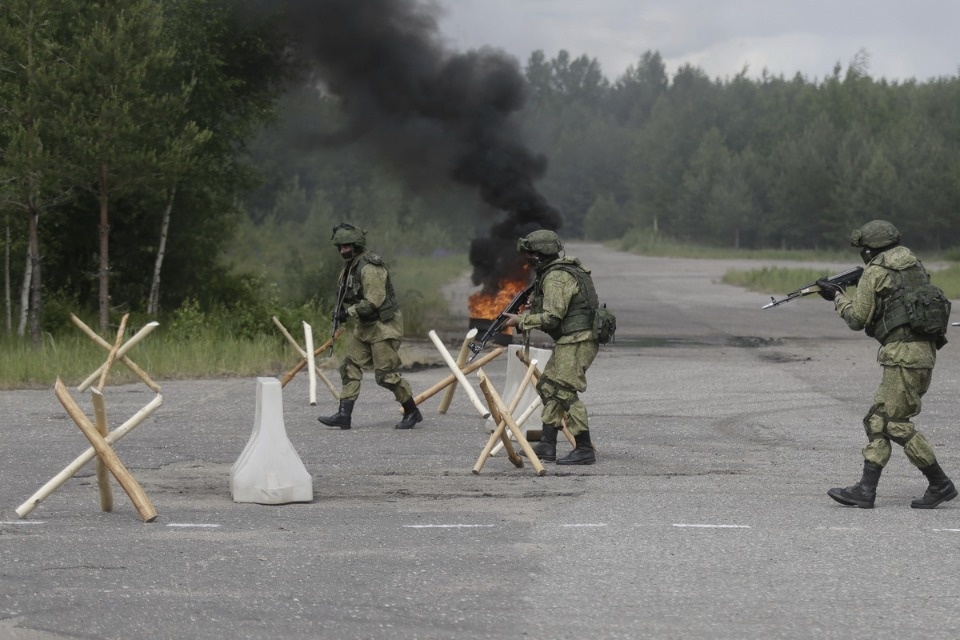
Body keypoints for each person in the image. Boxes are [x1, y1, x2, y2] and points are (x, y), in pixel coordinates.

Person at [818, 219, 956, 509]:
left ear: (870, 250)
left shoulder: (876, 272)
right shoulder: (913, 265)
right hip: (923, 353)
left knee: (894, 424)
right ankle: (865, 490)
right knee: (877, 420)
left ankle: (939, 482)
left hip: (902, 357)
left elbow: (857, 319)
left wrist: (837, 297)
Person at [503, 229, 600, 465]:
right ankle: (547, 444)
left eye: (531, 255)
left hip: (578, 340)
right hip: (570, 339)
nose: (528, 260)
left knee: (564, 391)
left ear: (540, 254)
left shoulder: (556, 277)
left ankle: (584, 447)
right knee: (548, 386)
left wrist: (522, 320)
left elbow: (552, 317)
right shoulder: (554, 273)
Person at [318, 223, 422, 430]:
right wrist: (339, 310)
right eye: (340, 247)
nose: (343, 251)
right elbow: (347, 295)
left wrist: (347, 313)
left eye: (347, 246)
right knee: (349, 366)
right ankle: (343, 415)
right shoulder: (350, 268)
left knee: (385, 376)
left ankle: (412, 411)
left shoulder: (370, 268)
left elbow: (373, 301)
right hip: (365, 327)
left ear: (356, 245)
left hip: (384, 327)